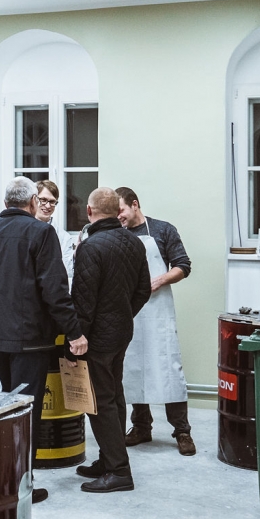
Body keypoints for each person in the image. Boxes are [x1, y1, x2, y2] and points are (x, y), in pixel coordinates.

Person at [0, 177, 88, 504]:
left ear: (6, 202)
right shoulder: (41, 233)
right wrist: (74, 331)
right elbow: (54, 289)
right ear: (33, 202)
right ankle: (21, 484)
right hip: (30, 339)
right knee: (24, 413)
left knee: (0, 410)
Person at [70, 188, 151, 493]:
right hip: (121, 332)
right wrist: (122, 314)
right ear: (117, 211)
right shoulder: (134, 242)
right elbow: (143, 289)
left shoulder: (91, 247)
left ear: (89, 212)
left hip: (97, 338)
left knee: (100, 401)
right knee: (114, 395)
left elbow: (84, 301)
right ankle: (108, 459)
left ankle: (119, 471)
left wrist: (76, 337)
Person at [115, 187, 196, 457]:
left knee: (168, 368)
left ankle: (182, 430)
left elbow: (183, 266)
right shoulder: (118, 234)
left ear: (134, 204)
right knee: (134, 367)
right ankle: (141, 427)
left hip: (158, 309)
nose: (118, 217)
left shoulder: (163, 230)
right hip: (130, 311)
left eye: (121, 210)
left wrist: (157, 281)